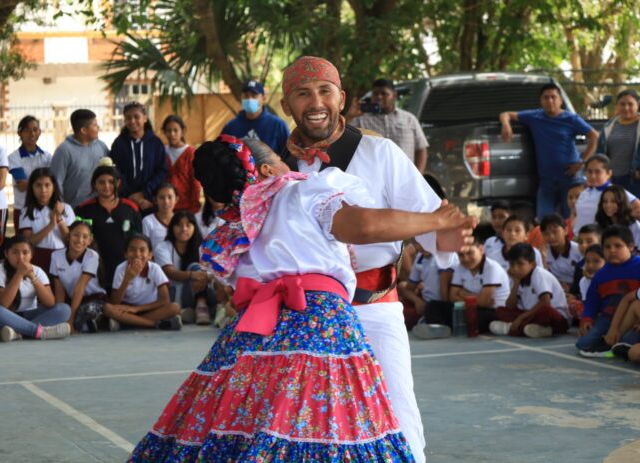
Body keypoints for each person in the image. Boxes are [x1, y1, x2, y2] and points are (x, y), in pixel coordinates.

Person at [129, 136, 473, 462]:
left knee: (250, 427)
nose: (288, 164)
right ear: (266, 170)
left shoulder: (239, 228)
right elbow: (364, 226)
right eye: (279, 159)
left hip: (254, 339)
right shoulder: (302, 192)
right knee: (331, 426)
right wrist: (433, 220)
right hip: (318, 328)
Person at [277, 56, 471, 462]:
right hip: (299, 315)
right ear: (286, 105)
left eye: (325, 91)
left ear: (341, 99)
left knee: (398, 417)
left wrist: (451, 236)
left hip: (374, 307)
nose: (315, 102)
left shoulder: (380, 153)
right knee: (301, 425)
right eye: (303, 93)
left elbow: (433, 224)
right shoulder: (274, 166)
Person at [500, 83, 598, 219]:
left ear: (560, 100)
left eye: (553, 97)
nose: (550, 101)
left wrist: (582, 161)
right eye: (546, 97)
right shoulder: (534, 117)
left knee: (573, 219)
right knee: (544, 220)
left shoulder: (571, 119)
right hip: (547, 181)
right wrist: (506, 126)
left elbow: (594, 136)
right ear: (541, 101)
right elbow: (505, 114)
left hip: (570, 179)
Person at [0, 235, 71, 342]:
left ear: (31, 255)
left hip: (30, 316)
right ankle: (39, 332)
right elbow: (3, 304)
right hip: (5, 318)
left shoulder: (37, 271)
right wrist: (19, 274)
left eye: (25, 253)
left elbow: (50, 302)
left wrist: (33, 277)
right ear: (6, 254)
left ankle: (18, 333)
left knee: (64, 309)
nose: (20, 257)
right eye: (15, 253)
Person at [578, 225, 640, 356]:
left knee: (627, 341)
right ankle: (609, 342)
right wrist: (587, 319)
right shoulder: (601, 274)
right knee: (582, 344)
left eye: (618, 246)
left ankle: (612, 344)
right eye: (607, 247)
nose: (612, 250)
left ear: (631, 247)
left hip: (634, 319)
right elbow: (592, 300)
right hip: (607, 318)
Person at [75, 162, 142, 291]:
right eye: (101, 182)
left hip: (125, 268)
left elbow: (138, 238)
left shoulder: (131, 208)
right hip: (94, 270)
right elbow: (79, 241)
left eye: (111, 182)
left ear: (118, 183)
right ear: (94, 184)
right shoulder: (83, 210)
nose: (106, 186)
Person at [489, 243, 571, 338]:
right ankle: (537, 330)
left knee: (546, 310)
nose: (515, 269)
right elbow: (510, 305)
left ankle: (510, 328)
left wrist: (521, 318)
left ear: (533, 264)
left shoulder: (539, 274)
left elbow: (545, 303)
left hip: (556, 318)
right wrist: (516, 283)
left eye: (520, 264)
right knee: (500, 310)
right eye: (512, 264)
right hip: (531, 315)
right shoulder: (520, 277)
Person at [105, 233, 181, 331]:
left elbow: (165, 300)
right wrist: (127, 280)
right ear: (125, 254)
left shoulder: (154, 268)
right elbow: (115, 302)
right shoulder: (121, 269)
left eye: (142, 250)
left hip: (149, 309)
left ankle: (127, 323)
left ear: (150, 255)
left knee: (174, 307)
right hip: (126, 310)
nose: (137, 254)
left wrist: (137, 309)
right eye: (132, 250)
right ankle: (154, 324)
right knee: (107, 308)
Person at [351, 78, 429, 171]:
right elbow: (340, 135)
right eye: (375, 94)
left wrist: (419, 177)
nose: (379, 97)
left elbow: (421, 149)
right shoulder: (360, 119)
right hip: (374, 177)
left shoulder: (409, 119)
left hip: (405, 176)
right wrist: (350, 115)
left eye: (384, 93)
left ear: (394, 95)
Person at [154, 210, 215, 325]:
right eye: (179, 225)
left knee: (200, 271)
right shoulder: (163, 247)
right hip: (174, 294)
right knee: (195, 267)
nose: (184, 229)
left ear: (194, 227)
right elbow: (170, 273)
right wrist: (193, 275)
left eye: (188, 225)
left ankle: (192, 310)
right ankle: (200, 306)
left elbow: (213, 273)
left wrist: (202, 277)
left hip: (199, 290)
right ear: (172, 227)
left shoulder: (203, 247)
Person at [50, 220, 107, 333]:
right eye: (76, 235)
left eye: (85, 237)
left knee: (83, 313)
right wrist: (60, 313)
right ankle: (90, 323)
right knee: (58, 314)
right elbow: (59, 290)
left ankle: (103, 321)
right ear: (68, 236)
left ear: (90, 240)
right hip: (72, 299)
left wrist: (70, 320)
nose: (80, 240)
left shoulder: (92, 256)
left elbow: (80, 288)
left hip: (93, 299)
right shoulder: (56, 256)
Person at [109, 102, 168, 212]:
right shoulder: (119, 144)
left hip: (150, 200)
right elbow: (115, 170)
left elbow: (161, 171)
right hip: (125, 201)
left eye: (136, 117)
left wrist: (143, 193)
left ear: (145, 118)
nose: (132, 121)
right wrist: (131, 195)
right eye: (128, 118)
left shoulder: (156, 143)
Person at [450, 235, 510, 333]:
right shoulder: (460, 267)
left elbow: (484, 302)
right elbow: (452, 297)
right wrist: (476, 299)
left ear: (481, 249)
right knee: (435, 306)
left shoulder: (492, 268)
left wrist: (462, 293)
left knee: (477, 318)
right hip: (471, 308)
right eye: (461, 255)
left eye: (470, 253)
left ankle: (446, 324)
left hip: (493, 311)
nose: (465, 259)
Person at [19, 168, 75, 272]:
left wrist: (59, 218)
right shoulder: (26, 211)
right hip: (38, 256)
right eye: (38, 185)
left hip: (63, 255)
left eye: (47, 185)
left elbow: (70, 240)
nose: (43, 190)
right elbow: (29, 241)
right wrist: (50, 226)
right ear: (32, 188)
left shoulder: (66, 208)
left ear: (54, 187)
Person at [50, 109, 109, 208]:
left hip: (101, 207)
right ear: (84, 130)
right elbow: (56, 181)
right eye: (95, 125)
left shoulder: (101, 146)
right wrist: (63, 209)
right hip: (75, 209)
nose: (98, 127)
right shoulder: (64, 150)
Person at [596, 89, 640, 198]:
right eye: (622, 104)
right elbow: (600, 154)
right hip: (612, 181)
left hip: (637, 182)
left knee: (636, 214)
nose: (626, 108)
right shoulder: (608, 127)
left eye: (630, 104)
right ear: (617, 106)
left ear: (637, 105)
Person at [574, 154, 640, 235]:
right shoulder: (585, 192)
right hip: (580, 237)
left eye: (597, 172)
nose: (593, 176)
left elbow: (637, 204)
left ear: (609, 173)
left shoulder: (614, 191)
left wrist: (619, 225)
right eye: (589, 171)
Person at [8, 115, 52, 232]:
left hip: (44, 208)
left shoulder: (47, 157)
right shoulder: (14, 157)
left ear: (39, 132)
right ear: (19, 133)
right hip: (23, 208)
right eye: (27, 130)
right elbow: (22, 186)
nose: (32, 134)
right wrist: (44, 184)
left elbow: (52, 182)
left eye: (35, 129)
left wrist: (34, 183)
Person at [221, 80, 290, 154]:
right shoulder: (230, 127)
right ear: (241, 98)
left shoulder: (278, 125)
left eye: (254, 96)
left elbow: (288, 156)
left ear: (264, 99)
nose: (250, 99)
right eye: (246, 96)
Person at [161, 115, 201, 212]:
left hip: (185, 206)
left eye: (175, 130)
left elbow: (195, 183)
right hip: (165, 207)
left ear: (182, 132)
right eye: (168, 130)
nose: (172, 134)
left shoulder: (191, 153)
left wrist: (194, 207)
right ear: (164, 132)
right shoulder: (161, 151)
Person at [540, 214, 582, 289]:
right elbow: (543, 277)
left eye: (555, 232)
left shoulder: (578, 250)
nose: (551, 237)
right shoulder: (543, 252)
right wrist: (543, 258)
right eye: (546, 234)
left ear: (566, 230)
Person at [142, 183, 177, 250]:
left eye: (170, 197)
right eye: (161, 197)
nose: (166, 201)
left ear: (176, 199)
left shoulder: (181, 220)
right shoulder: (148, 221)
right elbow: (145, 248)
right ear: (155, 200)